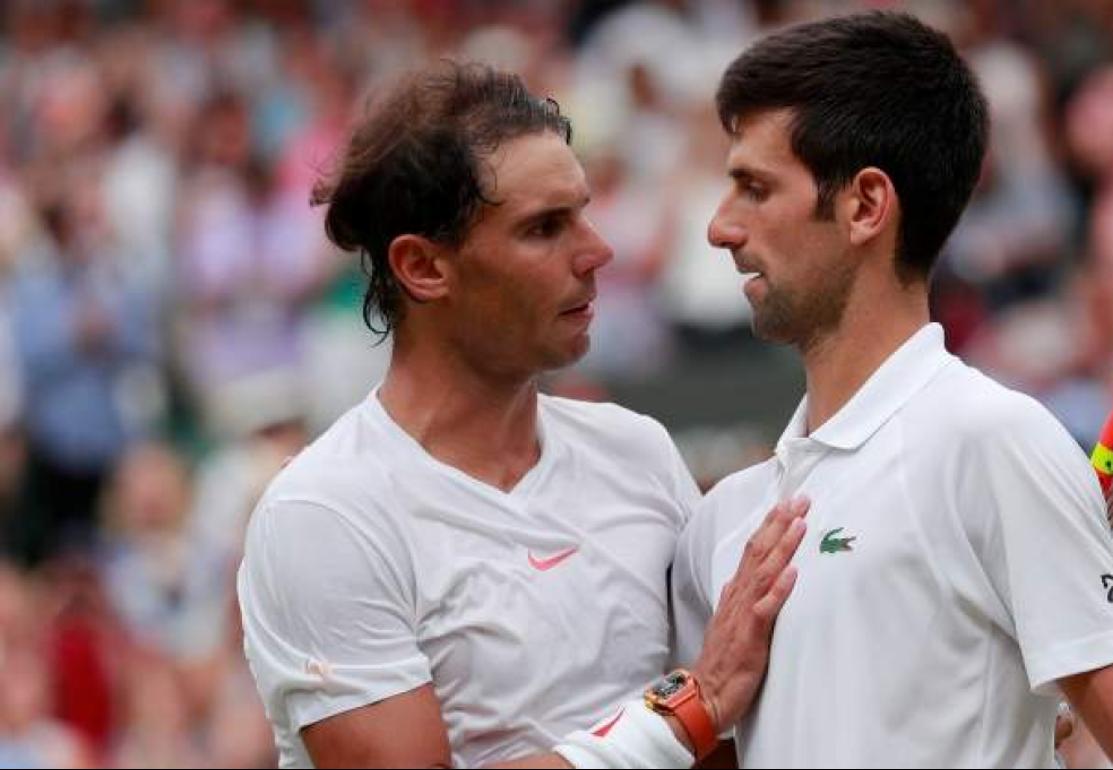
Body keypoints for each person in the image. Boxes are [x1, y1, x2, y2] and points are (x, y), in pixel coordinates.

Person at [668, 12, 1113, 769]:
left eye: (755, 188)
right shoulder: (721, 521)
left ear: (864, 205)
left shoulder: (989, 441)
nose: (721, 227)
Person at [236, 63, 803, 768]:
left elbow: (721, 735)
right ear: (423, 268)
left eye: (584, 212)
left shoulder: (638, 452)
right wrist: (686, 710)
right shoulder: (324, 512)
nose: (597, 252)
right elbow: (704, 703)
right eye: (543, 229)